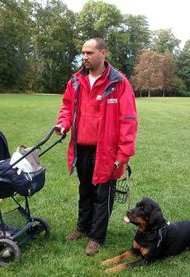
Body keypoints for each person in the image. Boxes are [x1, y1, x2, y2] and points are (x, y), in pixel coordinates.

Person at [55, 37, 138, 256]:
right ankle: (82, 228)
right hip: (81, 148)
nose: (85, 57)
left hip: (107, 152)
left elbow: (128, 120)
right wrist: (63, 125)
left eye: (90, 53)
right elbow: (66, 107)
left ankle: (96, 237)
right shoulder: (76, 81)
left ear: (103, 53)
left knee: (103, 195)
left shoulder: (119, 83)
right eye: (83, 53)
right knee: (85, 191)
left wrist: (124, 153)